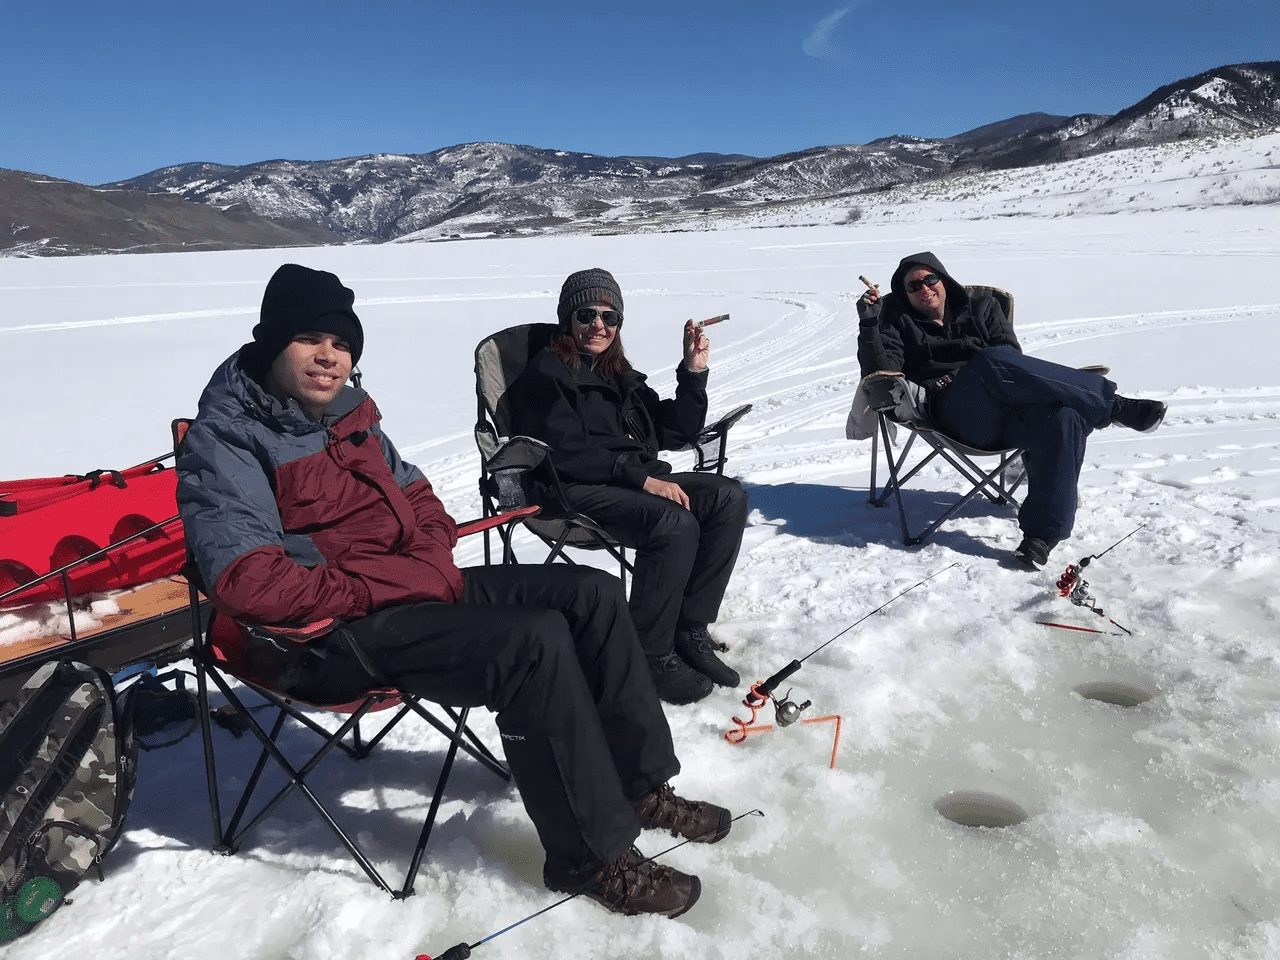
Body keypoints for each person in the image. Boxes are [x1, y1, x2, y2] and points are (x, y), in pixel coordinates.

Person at [176, 263, 734, 918]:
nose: (330, 357)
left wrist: (422, 553)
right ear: (272, 341)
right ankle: (590, 856)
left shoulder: (350, 413)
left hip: (408, 594)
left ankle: (640, 787)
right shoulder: (230, 439)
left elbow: (420, 498)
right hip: (325, 637)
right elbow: (251, 585)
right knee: (532, 645)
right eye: (308, 339)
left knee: (590, 596)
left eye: (343, 343)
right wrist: (403, 575)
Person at [507, 268, 748, 705]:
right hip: (570, 489)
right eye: (587, 314)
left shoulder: (617, 373)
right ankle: (650, 655)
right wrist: (641, 478)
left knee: (727, 496)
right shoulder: (546, 374)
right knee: (674, 524)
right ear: (567, 319)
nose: (599, 325)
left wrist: (693, 373)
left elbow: (675, 431)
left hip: (630, 481)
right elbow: (561, 451)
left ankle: (688, 628)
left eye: (609, 316)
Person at [857, 252, 1167, 569]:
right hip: (955, 416)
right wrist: (870, 322)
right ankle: (1113, 406)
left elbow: (1012, 361)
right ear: (905, 295)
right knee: (990, 362)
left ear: (943, 278)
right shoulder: (896, 320)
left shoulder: (983, 307)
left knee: (1064, 416)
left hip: (1006, 411)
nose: (924, 288)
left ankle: (1041, 537)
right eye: (913, 286)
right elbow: (880, 373)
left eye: (930, 279)